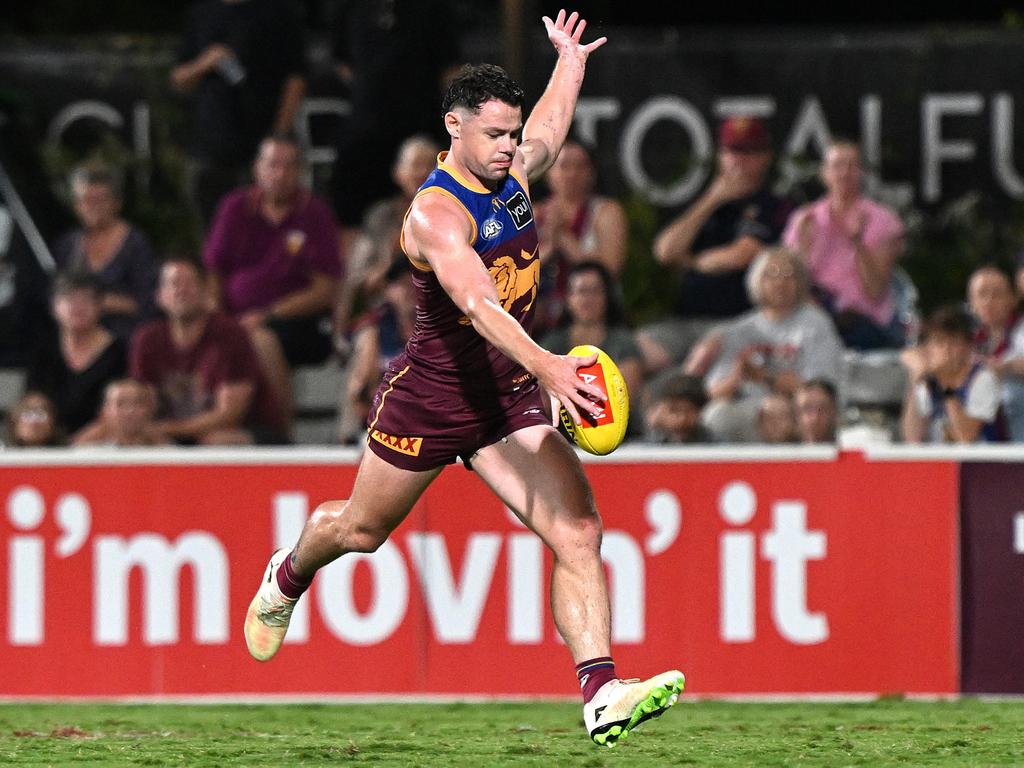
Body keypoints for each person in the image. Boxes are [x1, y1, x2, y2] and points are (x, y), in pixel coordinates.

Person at [243, 12, 683, 748]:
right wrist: (550, 366)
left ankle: (601, 692)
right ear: (455, 127)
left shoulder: (511, 171)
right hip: (433, 397)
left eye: (511, 133)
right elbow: (478, 305)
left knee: (578, 531)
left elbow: (549, 128)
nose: (511, 145)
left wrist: (569, 64)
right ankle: (286, 575)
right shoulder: (437, 216)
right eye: (496, 134)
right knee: (360, 530)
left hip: (507, 397)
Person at [203, 133, 342, 420]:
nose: (279, 174)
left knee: (259, 339)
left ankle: (280, 432)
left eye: (288, 166)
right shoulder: (234, 207)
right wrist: (217, 318)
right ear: (257, 168)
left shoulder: (316, 214)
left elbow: (325, 290)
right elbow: (214, 272)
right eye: (273, 165)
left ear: (300, 171)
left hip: (299, 323)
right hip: (234, 318)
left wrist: (267, 315)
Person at [639, 116, 793, 373]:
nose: (739, 160)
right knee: (636, 352)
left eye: (749, 152)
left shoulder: (774, 206)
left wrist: (691, 261)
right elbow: (665, 251)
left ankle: (676, 402)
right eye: (732, 151)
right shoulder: (705, 203)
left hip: (739, 322)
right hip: (685, 320)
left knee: (699, 360)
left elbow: (740, 256)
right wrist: (712, 199)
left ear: (766, 157)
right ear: (720, 155)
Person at [329, 0, 462, 252]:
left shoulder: (434, 8)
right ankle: (357, 279)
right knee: (351, 206)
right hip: (367, 124)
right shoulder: (350, 7)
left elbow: (450, 67)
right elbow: (342, 61)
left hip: (418, 123)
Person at [170, 0, 308, 226]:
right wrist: (206, 61)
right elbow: (178, 80)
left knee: (262, 225)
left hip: (259, 145)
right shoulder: (202, 11)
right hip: (210, 147)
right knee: (212, 227)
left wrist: (279, 133)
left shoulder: (279, 11)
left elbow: (296, 78)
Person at [687, 247, 843, 443]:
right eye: (772, 274)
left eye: (788, 275)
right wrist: (738, 375)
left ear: (800, 282)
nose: (780, 282)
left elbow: (820, 389)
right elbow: (711, 393)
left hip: (799, 409)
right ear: (757, 281)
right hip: (750, 407)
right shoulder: (740, 329)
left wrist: (764, 378)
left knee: (785, 411)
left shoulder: (815, 323)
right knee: (715, 416)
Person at [129, 257, 290, 446]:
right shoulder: (147, 338)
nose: (181, 290)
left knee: (216, 441)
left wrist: (166, 430)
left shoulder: (230, 334)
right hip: (178, 434)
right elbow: (140, 402)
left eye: (189, 283)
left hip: (246, 432)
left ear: (206, 293)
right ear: (159, 296)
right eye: (174, 283)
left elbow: (229, 416)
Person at [782, 140, 907, 350]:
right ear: (824, 173)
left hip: (865, 323)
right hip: (815, 319)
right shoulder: (805, 219)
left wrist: (858, 242)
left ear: (863, 173)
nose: (845, 173)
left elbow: (875, 291)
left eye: (852, 166)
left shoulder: (883, 220)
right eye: (837, 165)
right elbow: (789, 284)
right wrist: (802, 248)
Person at [332, 134, 440, 355]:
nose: (422, 173)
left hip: (440, 312)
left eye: (430, 165)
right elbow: (361, 283)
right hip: (384, 314)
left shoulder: (459, 214)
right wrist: (390, 261)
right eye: (415, 165)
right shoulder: (381, 218)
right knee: (368, 347)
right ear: (398, 174)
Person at [52, 162, 159, 340]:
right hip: (76, 341)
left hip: (123, 339)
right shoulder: (67, 246)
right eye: (85, 200)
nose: (93, 207)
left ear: (117, 203)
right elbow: (53, 295)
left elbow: (149, 301)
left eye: (100, 200)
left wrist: (101, 303)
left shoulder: (136, 244)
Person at [534, 140, 627, 334]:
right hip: (542, 318)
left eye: (580, 166)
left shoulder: (606, 212)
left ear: (592, 173)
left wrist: (563, 237)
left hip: (595, 319)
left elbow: (609, 271)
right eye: (564, 166)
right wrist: (549, 249)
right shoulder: (533, 214)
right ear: (548, 173)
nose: (572, 174)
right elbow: (515, 269)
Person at [540, 260, 644, 435]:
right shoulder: (552, 343)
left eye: (595, 291)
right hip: (560, 434)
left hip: (617, 437)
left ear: (607, 297)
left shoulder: (623, 342)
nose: (587, 299)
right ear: (568, 298)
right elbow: (539, 398)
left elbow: (626, 397)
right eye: (580, 291)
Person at [26, 272, 128, 438]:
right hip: (49, 442)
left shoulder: (119, 350)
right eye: (69, 299)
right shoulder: (42, 348)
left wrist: (81, 442)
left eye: (86, 299)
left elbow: (122, 404)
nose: (78, 306)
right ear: (54, 307)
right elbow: (33, 400)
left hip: (104, 441)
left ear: (100, 306)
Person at [337, 259, 417, 444]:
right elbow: (346, 320)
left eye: (414, 282)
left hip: (427, 414)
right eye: (401, 283)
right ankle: (351, 439)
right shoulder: (373, 327)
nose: (409, 290)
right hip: (379, 417)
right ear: (386, 290)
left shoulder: (439, 325)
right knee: (365, 347)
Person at [899, 305, 1004, 443]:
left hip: (984, 461)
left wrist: (946, 386)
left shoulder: (983, 378)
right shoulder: (928, 379)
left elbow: (966, 437)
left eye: (953, 343)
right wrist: (916, 380)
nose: (946, 350)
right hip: (940, 460)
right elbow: (912, 436)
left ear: (968, 347)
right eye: (939, 342)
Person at [967, 265, 1024, 441]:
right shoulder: (965, 338)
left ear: (1013, 299)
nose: (989, 301)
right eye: (982, 294)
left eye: (997, 294)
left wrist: (1001, 366)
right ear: (971, 302)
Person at [72, 378, 170, 447]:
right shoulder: (86, 446)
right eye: (120, 403)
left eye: (138, 403)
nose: (130, 411)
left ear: (150, 409)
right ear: (104, 411)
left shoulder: (161, 445)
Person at [642, 372, 713, 444]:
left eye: (689, 410)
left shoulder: (713, 445)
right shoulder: (647, 444)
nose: (682, 419)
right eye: (673, 410)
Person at [795, 378, 839, 444]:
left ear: (834, 411)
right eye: (807, 408)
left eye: (822, 408)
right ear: (796, 414)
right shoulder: (781, 452)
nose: (815, 418)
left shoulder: (851, 449)